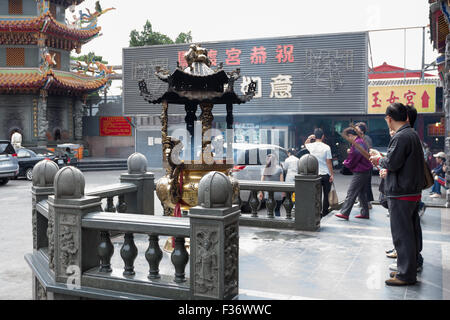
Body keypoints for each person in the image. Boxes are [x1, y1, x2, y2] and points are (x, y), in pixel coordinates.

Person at [370, 102, 425, 286]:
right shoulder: (412, 134)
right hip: (411, 191)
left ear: (389, 118)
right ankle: (410, 267)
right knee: (410, 232)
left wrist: (379, 159)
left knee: (402, 235)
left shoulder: (401, 137)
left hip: (401, 192)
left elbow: (392, 162)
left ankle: (405, 274)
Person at [335, 127, 373, 220]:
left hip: (361, 171)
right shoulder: (360, 141)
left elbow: (355, 156)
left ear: (351, 136)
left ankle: (345, 212)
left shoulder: (358, 143)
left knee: (352, 191)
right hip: (365, 169)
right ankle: (365, 213)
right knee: (361, 193)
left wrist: (346, 163)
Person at [305, 128, 334, 217]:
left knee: (317, 195)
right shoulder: (326, 147)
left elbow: (305, 143)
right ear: (323, 136)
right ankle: (325, 212)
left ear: (315, 136)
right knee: (326, 194)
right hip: (325, 174)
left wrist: (310, 137)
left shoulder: (311, 146)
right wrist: (332, 174)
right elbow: (329, 162)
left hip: (315, 174)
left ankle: (317, 212)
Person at [355, 122, 374, 209]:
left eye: (357, 128)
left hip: (365, 164)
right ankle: (362, 202)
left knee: (366, 184)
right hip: (359, 165)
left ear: (362, 130)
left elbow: (368, 150)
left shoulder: (366, 138)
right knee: (360, 185)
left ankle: (367, 202)